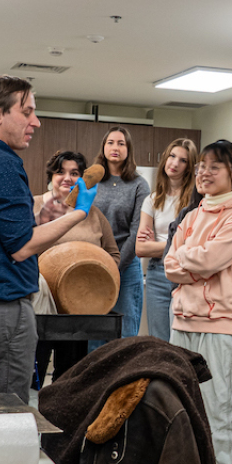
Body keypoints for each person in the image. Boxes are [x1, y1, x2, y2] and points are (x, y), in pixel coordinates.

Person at [0, 75, 97, 403]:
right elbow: (20, 246)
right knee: (4, 411)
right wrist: (79, 213)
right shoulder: (2, 163)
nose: (36, 121)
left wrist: (40, 220)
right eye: (26, 111)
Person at [165, 140, 232, 464]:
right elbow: (171, 263)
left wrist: (190, 260)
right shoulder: (192, 215)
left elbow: (209, 260)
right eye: (201, 165)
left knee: (217, 404)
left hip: (222, 321)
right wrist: (193, 261)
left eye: (214, 166)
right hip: (183, 318)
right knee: (183, 401)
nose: (204, 172)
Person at [32, 150, 120, 385]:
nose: (67, 178)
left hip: (79, 309)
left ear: (83, 179)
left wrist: (99, 278)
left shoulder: (93, 214)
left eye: (74, 173)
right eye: (60, 172)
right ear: (51, 176)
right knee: (34, 375)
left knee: (70, 378)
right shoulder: (35, 205)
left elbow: (113, 254)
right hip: (39, 308)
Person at [92, 126, 150, 341]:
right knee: (95, 333)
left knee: (125, 334)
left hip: (125, 267)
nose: (115, 147)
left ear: (128, 150)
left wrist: (115, 266)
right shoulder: (92, 180)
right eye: (111, 142)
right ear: (103, 147)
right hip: (93, 265)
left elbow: (136, 230)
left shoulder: (138, 185)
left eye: (121, 143)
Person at [136, 138, 197, 341]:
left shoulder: (194, 202)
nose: (175, 163)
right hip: (157, 275)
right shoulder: (152, 199)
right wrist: (175, 244)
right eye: (172, 156)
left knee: (180, 341)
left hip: (184, 273)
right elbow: (141, 249)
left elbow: (195, 245)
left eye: (183, 160)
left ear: (189, 167)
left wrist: (158, 245)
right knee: (159, 341)